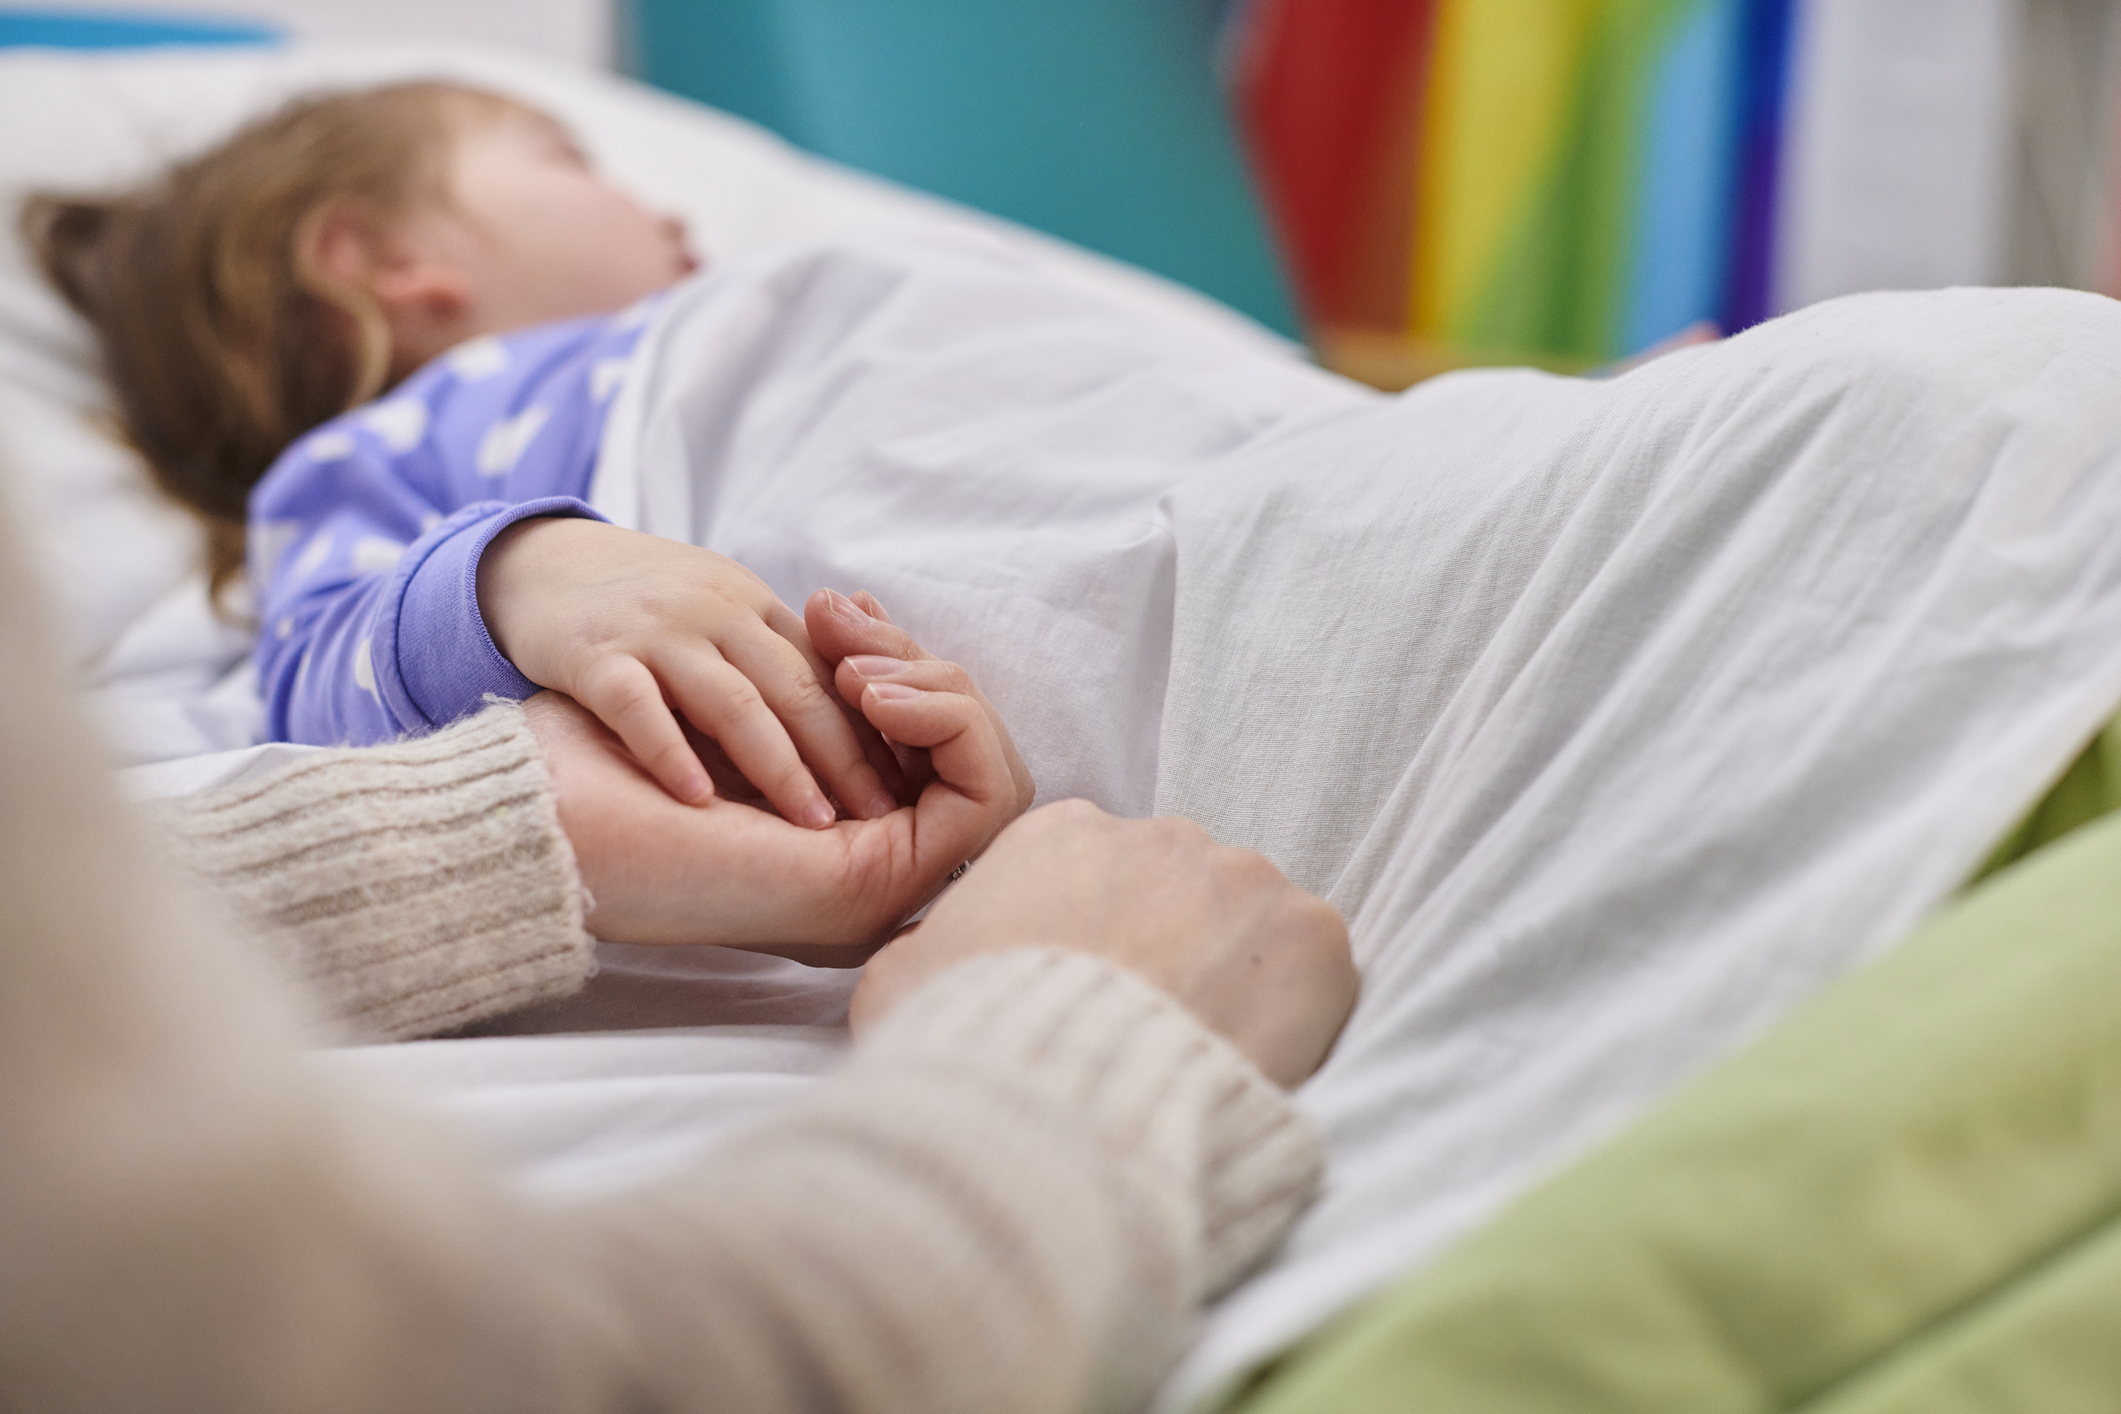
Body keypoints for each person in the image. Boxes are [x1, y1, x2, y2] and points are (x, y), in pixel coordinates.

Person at [0, 466, 1359, 1409]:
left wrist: (490, 834)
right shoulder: (477, 393)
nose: (655, 201)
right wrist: (1068, 1070)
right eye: (547, 154)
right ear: (382, 261)